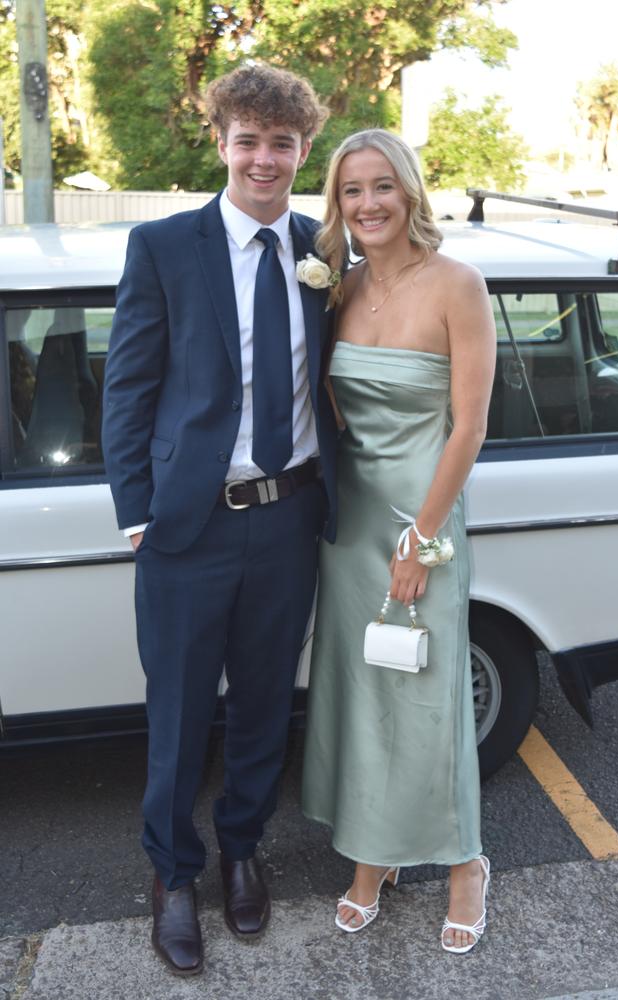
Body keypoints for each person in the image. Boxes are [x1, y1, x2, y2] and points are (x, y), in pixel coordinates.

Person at [102, 63, 338, 976]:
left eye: (282, 143)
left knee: (265, 710)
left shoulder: (329, 250)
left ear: (303, 148)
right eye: (248, 139)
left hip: (290, 520)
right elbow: (126, 391)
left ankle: (243, 850)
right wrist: (136, 516)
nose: (265, 158)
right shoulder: (163, 246)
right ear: (221, 142)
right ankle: (172, 875)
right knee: (180, 713)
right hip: (185, 528)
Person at [301, 129, 496, 954]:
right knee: (362, 694)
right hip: (350, 528)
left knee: (428, 696)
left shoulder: (458, 284)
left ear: (409, 191)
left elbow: (470, 428)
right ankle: (373, 858)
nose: (369, 204)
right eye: (352, 191)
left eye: (383, 186)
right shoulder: (336, 291)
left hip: (424, 525)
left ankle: (462, 863)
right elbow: (332, 412)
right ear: (337, 205)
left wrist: (419, 539)